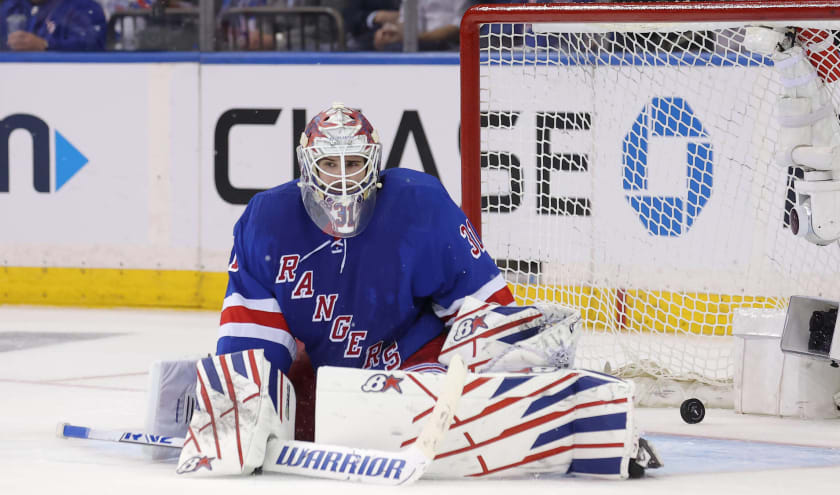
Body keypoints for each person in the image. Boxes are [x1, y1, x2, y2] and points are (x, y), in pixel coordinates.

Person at [164, 103, 661, 479]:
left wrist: (494, 377)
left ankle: (585, 408)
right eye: (329, 165)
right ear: (305, 166)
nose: (341, 180)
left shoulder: (420, 205)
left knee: (504, 362)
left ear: (374, 165)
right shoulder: (266, 222)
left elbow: (487, 316)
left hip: (419, 365)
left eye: (353, 164)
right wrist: (239, 405)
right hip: (325, 378)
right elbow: (252, 346)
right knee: (278, 396)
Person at [0, 0, 106, 52]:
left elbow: (92, 45)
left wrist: (46, 46)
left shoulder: (83, 7)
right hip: (11, 83)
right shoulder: (13, 6)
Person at [373, 0, 471, 51]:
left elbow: (461, 25)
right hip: (420, 44)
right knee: (388, 46)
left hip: (452, 46)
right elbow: (407, 22)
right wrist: (391, 33)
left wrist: (414, 39)